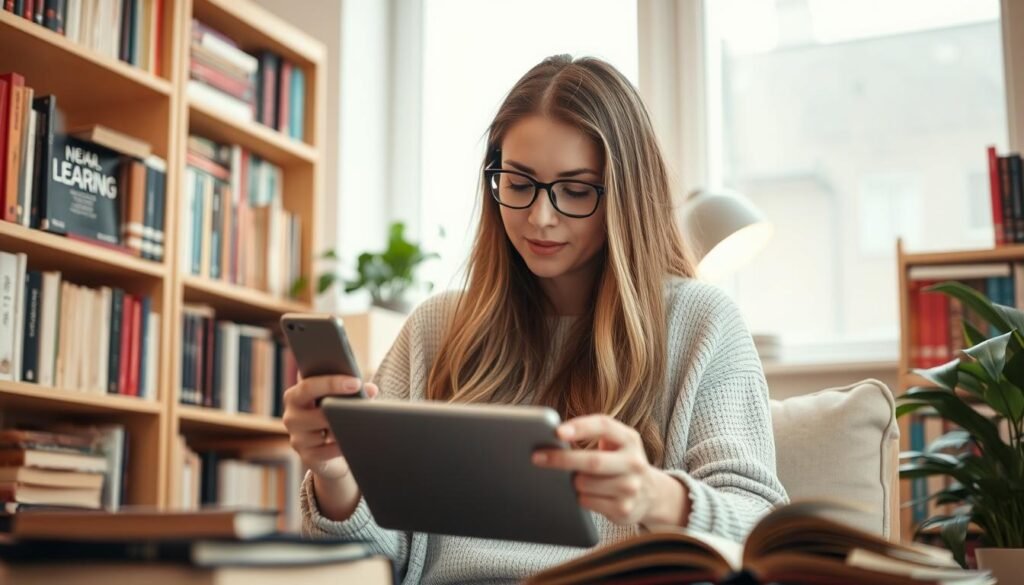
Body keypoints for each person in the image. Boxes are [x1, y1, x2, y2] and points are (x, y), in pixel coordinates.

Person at [282, 54, 788, 585]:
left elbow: (765, 533)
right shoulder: (436, 331)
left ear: (626, 197)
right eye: (518, 183)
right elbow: (371, 565)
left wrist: (654, 495)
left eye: (575, 190)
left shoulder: (701, 323)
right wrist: (336, 474)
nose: (540, 217)